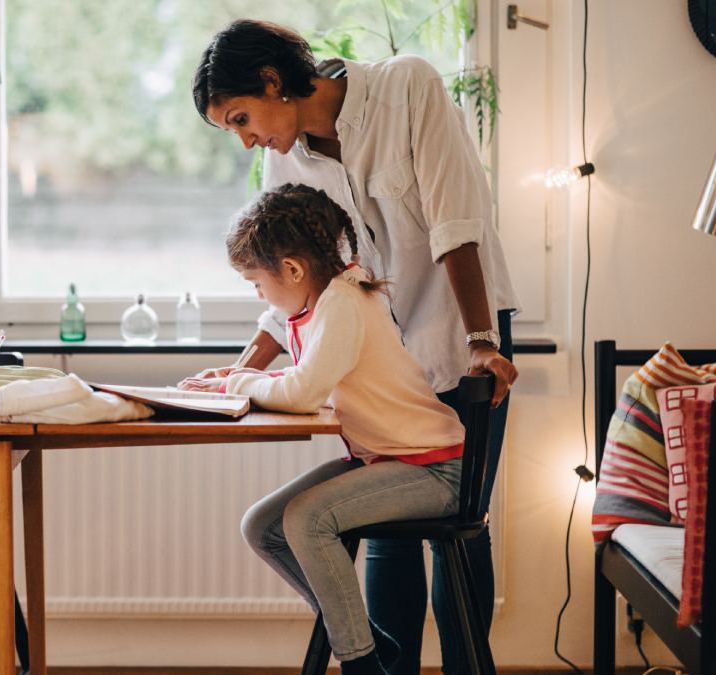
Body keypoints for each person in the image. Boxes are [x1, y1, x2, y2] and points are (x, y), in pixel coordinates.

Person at [191, 19, 519, 674]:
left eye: (239, 117)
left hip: (462, 333)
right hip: (381, 356)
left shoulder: (407, 88)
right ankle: (389, 664)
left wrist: (481, 341)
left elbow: (457, 221)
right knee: (386, 542)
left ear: (272, 81)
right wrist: (241, 369)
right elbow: (290, 278)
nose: (245, 138)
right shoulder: (283, 155)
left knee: (460, 527)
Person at [181, 183, 466, 675]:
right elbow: (305, 379)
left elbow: (303, 392)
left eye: (256, 281)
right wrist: (235, 377)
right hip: (391, 461)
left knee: (307, 519)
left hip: (437, 471)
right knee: (263, 526)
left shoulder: (344, 303)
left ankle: (361, 663)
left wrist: (242, 384)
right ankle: (367, 639)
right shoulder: (327, 302)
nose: (258, 293)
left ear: (292, 269)